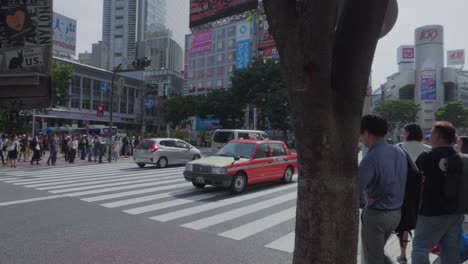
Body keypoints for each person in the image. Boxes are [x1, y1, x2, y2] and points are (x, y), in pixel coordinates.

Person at [411, 121, 465, 264]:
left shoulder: (427, 157)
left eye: (432, 133)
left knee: (420, 248)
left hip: (431, 211)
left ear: (438, 136)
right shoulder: (459, 158)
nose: (430, 136)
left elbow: (415, 183)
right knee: (451, 249)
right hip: (455, 211)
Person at [359, 114, 407, 264]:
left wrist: (365, 202)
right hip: (396, 214)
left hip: (377, 216)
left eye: (360, 135)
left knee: (373, 258)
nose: (361, 139)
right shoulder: (399, 152)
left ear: (366, 133)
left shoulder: (370, 158)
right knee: (377, 255)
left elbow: (357, 189)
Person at [396, 123, 431, 264]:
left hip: (404, 192)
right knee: (421, 224)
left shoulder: (398, 148)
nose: (403, 134)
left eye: (404, 132)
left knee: (405, 224)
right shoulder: (429, 150)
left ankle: (403, 254)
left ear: (408, 133)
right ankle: (421, 253)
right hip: (424, 193)